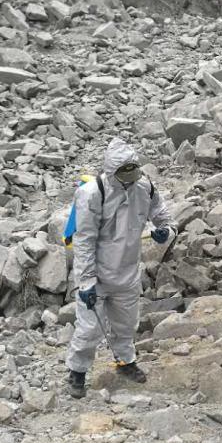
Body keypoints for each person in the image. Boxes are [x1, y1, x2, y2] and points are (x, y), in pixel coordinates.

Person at [66, 137, 172, 396]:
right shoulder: (93, 194)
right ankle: (77, 372)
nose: (129, 181)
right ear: (112, 171)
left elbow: (162, 215)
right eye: (124, 176)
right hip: (98, 274)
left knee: (126, 325)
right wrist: (86, 281)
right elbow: (84, 240)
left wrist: (166, 231)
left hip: (127, 271)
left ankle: (126, 363)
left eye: (133, 175)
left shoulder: (144, 188)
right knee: (89, 329)